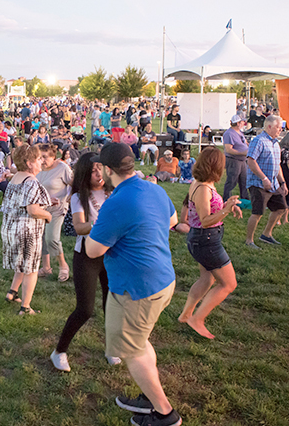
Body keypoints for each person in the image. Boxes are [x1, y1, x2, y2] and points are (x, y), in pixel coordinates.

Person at [85, 142, 182, 426]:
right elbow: (172, 221)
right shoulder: (152, 188)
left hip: (136, 289)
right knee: (139, 342)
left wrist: (99, 230)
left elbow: (93, 250)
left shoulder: (116, 202)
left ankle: (165, 413)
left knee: (131, 350)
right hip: (162, 280)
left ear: (106, 169)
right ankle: (150, 396)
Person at [51, 153, 120, 372]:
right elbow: (80, 227)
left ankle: (112, 348)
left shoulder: (115, 192)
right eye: (92, 170)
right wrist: (104, 225)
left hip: (113, 254)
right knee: (85, 309)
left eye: (100, 167)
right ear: (84, 173)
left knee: (113, 305)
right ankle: (59, 351)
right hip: (87, 256)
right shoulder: (79, 196)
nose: (98, 173)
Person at [179, 147, 243, 339]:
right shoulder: (202, 188)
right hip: (206, 240)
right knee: (229, 284)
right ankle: (197, 319)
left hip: (204, 239)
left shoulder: (204, 184)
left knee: (207, 278)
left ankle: (186, 314)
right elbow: (205, 219)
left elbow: (209, 212)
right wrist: (225, 210)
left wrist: (226, 206)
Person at [1, 144, 52, 315]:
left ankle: (12, 292)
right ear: (29, 163)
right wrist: (47, 215)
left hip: (11, 228)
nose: (41, 162)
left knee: (21, 263)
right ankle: (26, 307)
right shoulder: (31, 181)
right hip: (27, 231)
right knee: (31, 269)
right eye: (38, 159)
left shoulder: (15, 179)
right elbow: (33, 210)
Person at [245, 115, 288, 250]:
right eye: (278, 127)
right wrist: (264, 178)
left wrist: (282, 182)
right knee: (257, 212)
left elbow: (277, 164)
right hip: (258, 183)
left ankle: (266, 234)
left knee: (281, 208)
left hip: (273, 183)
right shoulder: (259, 141)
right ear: (269, 126)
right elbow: (251, 161)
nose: (280, 130)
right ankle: (249, 240)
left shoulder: (275, 143)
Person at [36, 143, 74, 282]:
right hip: (41, 208)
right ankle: (46, 267)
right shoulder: (38, 168)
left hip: (57, 208)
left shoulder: (62, 168)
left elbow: (73, 182)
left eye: (45, 157)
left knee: (52, 238)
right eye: (40, 157)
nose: (42, 160)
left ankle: (63, 265)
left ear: (54, 157)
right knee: (42, 237)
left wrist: (70, 197)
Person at [222, 114, 249, 200]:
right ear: (238, 123)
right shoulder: (229, 134)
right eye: (242, 122)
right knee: (231, 181)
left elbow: (245, 143)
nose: (244, 123)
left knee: (244, 181)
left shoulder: (240, 132)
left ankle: (245, 199)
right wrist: (242, 152)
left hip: (243, 160)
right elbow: (229, 149)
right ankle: (226, 199)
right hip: (234, 160)